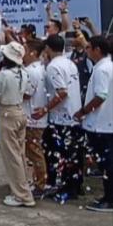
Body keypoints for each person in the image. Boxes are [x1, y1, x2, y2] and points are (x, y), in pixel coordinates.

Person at [34, 35, 86, 200]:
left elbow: (62, 92)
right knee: (74, 154)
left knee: (59, 154)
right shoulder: (70, 63)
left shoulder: (53, 67)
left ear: (48, 48)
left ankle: (64, 187)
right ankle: (75, 186)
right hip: (73, 115)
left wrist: (44, 109)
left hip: (61, 118)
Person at [0, 42, 33, 207]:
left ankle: (22, 195)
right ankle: (24, 187)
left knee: (12, 156)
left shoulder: (4, 75)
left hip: (7, 114)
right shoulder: (23, 72)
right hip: (20, 112)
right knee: (19, 154)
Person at [74, 35, 112, 213]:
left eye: (89, 47)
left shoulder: (102, 69)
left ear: (97, 50)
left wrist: (83, 111)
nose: (86, 50)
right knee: (105, 164)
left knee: (107, 164)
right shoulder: (105, 67)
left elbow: (101, 96)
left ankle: (109, 199)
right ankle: (107, 197)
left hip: (102, 124)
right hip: (103, 123)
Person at [22, 39, 49, 196]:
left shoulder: (32, 71)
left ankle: (40, 184)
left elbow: (26, 94)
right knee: (32, 151)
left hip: (33, 117)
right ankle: (37, 181)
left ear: (32, 52)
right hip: (34, 116)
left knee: (34, 151)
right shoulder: (38, 68)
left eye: (25, 50)